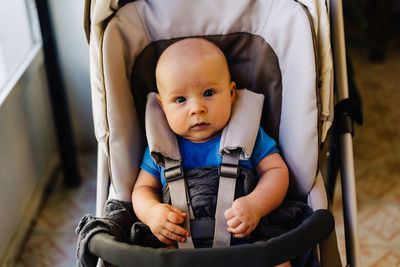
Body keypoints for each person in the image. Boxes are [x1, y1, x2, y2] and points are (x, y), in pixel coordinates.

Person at [131, 38, 290, 266]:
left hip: (244, 244)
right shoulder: (161, 148)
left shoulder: (248, 134)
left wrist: (256, 204)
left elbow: (276, 171)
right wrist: (152, 213)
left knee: (279, 259)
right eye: (180, 99)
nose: (197, 108)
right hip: (181, 251)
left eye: (208, 93)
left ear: (231, 92)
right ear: (162, 105)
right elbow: (142, 189)